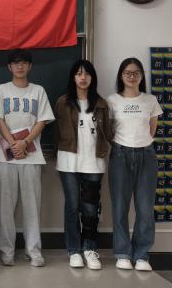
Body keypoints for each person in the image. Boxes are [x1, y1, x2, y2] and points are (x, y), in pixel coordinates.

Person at [0, 49, 54, 267]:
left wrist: (25, 142)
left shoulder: (38, 91)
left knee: (32, 206)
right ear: (9, 67)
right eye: (15, 63)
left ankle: (33, 251)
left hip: (31, 155)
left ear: (30, 66)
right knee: (5, 206)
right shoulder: (1, 90)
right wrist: (13, 143)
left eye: (24, 63)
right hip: (5, 154)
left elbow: (42, 120)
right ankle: (7, 251)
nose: (20, 66)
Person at [54, 60, 113, 270]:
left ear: (92, 78)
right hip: (68, 161)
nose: (83, 77)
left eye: (87, 74)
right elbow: (56, 132)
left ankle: (89, 248)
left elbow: (108, 132)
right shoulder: (63, 102)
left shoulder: (102, 103)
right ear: (73, 77)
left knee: (90, 207)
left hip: (94, 161)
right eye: (79, 73)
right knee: (72, 205)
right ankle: (74, 250)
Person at [108, 58, 162, 272]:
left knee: (145, 208)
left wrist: (140, 145)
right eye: (127, 73)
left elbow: (152, 129)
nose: (132, 76)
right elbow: (109, 130)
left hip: (146, 155)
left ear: (141, 76)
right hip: (120, 154)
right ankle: (122, 253)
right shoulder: (112, 100)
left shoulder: (150, 100)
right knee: (120, 206)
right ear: (121, 76)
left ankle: (141, 255)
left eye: (136, 73)